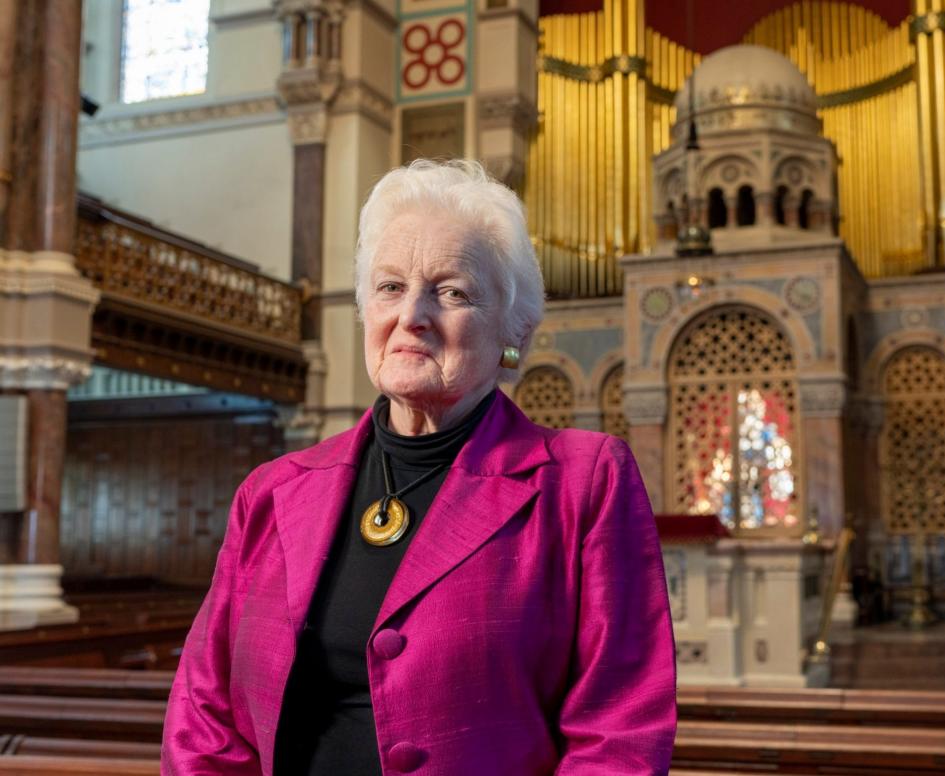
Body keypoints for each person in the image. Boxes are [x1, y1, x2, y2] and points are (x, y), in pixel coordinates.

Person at [162, 159, 677, 775]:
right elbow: (203, 713)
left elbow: (619, 735)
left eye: (452, 291)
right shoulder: (273, 491)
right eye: (389, 287)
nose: (412, 314)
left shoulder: (584, 483)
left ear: (513, 330)